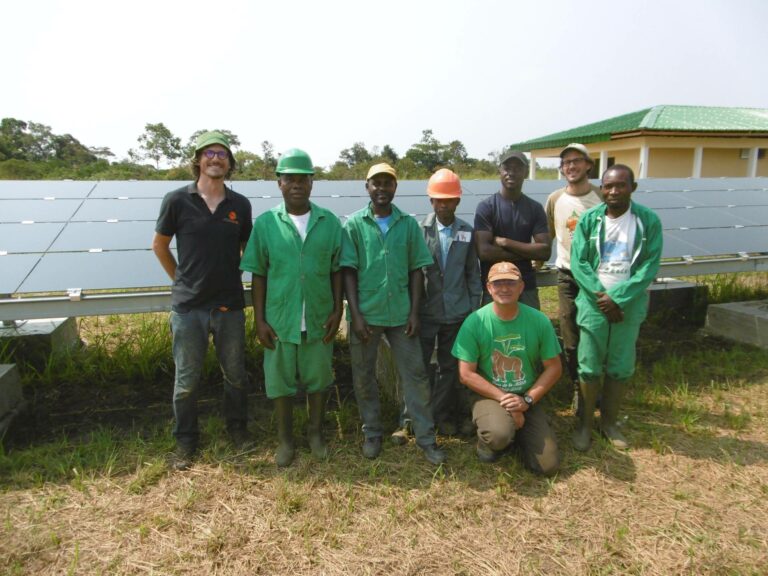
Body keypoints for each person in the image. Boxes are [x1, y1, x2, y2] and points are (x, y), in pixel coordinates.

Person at [152, 130, 252, 471]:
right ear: (197, 160)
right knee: (186, 379)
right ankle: (186, 440)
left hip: (229, 307)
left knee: (236, 374)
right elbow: (160, 246)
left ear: (230, 164)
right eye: (209, 153)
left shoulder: (240, 205)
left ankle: (237, 429)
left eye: (222, 154)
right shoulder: (177, 200)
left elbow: (245, 250)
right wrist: (181, 280)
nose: (215, 158)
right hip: (188, 309)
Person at [240, 148, 343, 467]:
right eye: (290, 179)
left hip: (318, 319)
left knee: (319, 380)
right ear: (279, 184)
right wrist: (259, 320)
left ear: (312, 183)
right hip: (280, 320)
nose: (297, 184)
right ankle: (285, 440)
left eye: (304, 179)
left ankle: (316, 434)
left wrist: (337, 311)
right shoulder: (267, 224)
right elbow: (258, 274)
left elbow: (338, 269)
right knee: (280, 383)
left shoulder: (329, 222)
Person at [341, 162, 446, 465]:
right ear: (367, 188)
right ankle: (372, 432)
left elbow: (417, 270)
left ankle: (426, 437)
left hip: (402, 314)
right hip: (367, 315)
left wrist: (415, 312)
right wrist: (355, 315)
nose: (382, 189)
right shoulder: (354, 225)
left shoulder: (408, 224)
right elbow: (348, 271)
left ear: (395, 188)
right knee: (363, 376)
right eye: (377, 183)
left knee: (416, 375)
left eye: (388, 183)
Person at [570, 164, 662, 450]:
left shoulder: (647, 221)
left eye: (620, 185)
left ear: (632, 188)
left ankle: (608, 423)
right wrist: (602, 296)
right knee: (588, 366)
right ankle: (584, 424)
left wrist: (618, 298)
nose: (613, 191)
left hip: (628, 305)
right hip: (593, 303)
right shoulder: (589, 220)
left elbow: (649, 265)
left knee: (620, 366)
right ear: (602, 188)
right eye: (608, 186)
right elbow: (579, 262)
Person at [452, 261, 562, 476]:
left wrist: (527, 400)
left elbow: (554, 368)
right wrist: (510, 403)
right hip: (489, 395)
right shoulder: (474, 322)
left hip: (526, 394)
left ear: (521, 287)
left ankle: (519, 431)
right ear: (489, 287)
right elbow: (466, 375)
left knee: (548, 466)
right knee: (498, 435)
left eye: (511, 283)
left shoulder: (539, 320)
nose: (504, 288)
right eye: (498, 283)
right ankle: (492, 439)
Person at [408, 168, 482, 438]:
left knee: (450, 368)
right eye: (439, 200)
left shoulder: (466, 231)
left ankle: (441, 415)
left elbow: (473, 274)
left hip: (457, 313)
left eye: (449, 200)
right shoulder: (419, 230)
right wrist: (413, 311)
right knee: (422, 367)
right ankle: (415, 418)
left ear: (458, 201)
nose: (444, 205)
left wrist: (473, 311)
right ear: (431, 202)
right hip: (427, 312)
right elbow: (412, 273)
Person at [544, 143, 603, 404]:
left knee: (596, 332)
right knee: (569, 335)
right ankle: (577, 388)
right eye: (566, 162)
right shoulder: (555, 199)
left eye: (576, 161)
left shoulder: (602, 196)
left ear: (588, 165)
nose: (571, 166)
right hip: (567, 275)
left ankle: (596, 387)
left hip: (597, 277)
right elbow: (549, 234)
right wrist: (535, 264)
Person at [474, 150, 551, 309]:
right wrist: (526, 252)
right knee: (493, 332)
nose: (511, 172)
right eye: (507, 167)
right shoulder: (486, 207)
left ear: (526, 172)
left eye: (518, 168)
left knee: (530, 332)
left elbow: (544, 251)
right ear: (499, 171)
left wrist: (505, 242)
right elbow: (484, 252)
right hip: (494, 285)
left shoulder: (535, 208)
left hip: (525, 285)